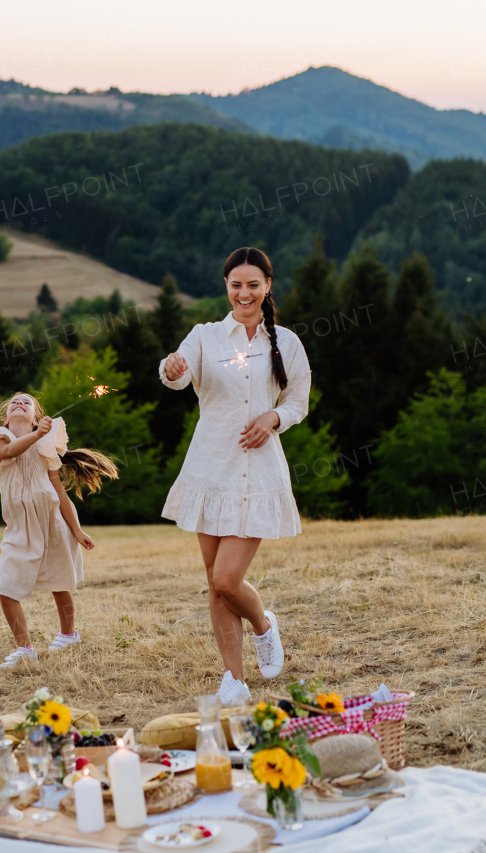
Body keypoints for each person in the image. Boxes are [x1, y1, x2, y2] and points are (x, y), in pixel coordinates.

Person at [158, 247, 311, 706]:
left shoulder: (285, 341)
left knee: (227, 579)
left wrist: (273, 419)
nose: (244, 293)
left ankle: (263, 626)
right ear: (226, 287)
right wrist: (171, 369)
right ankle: (235, 680)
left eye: (253, 284)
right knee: (213, 579)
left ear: (267, 286)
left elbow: (298, 401)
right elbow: (177, 374)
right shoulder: (205, 336)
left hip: (258, 473)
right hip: (210, 468)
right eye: (235, 285)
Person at [0, 392, 119, 670]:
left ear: (35, 420)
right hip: (20, 528)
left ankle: (69, 634)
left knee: (60, 581)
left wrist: (77, 530)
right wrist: (37, 436)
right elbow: (9, 453)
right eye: (14, 402)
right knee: (6, 590)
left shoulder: (44, 447)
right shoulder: (0, 438)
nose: (19, 403)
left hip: (52, 522)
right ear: (7, 419)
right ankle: (25, 648)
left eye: (27, 402)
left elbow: (60, 492)